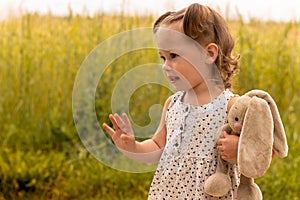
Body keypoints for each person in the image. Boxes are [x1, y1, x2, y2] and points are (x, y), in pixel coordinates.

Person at [103, 3, 240, 199]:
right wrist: (133, 147)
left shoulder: (231, 107)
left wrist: (239, 148)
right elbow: (158, 146)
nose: (166, 66)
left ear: (209, 54)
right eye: (162, 58)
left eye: (173, 56)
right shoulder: (173, 104)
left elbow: (263, 150)